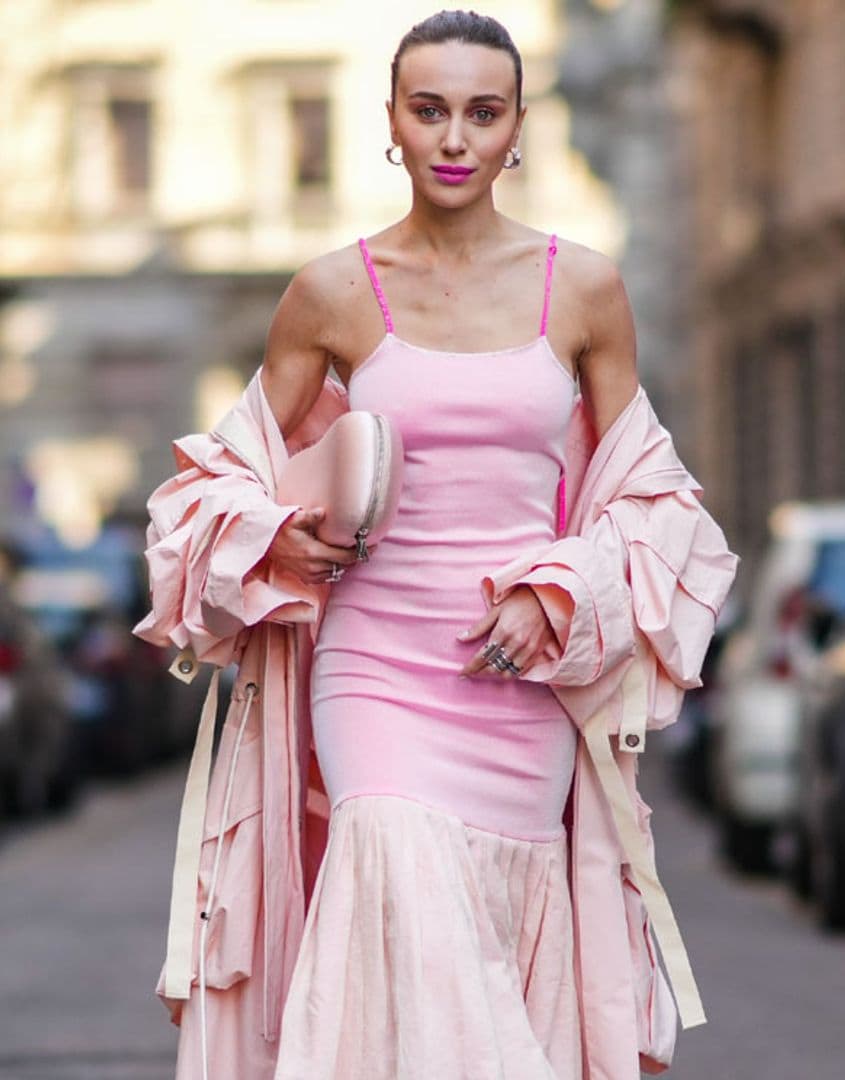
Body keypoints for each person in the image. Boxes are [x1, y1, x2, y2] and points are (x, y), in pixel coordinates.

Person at [134, 10, 738, 1080]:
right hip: (373, 669)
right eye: (431, 111)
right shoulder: (329, 292)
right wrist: (280, 533)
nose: (455, 137)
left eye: (482, 112)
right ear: (393, 128)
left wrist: (557, 592)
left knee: (481, 950)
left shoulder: (586, 288)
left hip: (520, 689)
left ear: (517, 131)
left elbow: (655, 501)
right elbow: (215, 480)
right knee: (391, 864)